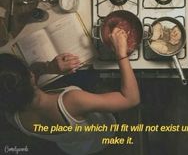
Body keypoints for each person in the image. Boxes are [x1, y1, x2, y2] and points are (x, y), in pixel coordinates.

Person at [0, 27, 140, 155]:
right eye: (28, 69)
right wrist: (121, 53)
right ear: (30, 77)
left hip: (74, 146)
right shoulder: (73, 100)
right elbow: (131, 99)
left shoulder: (11, 114)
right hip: (101, 133)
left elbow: (27, 77)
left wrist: (50, 67)